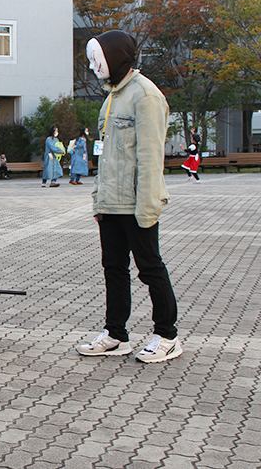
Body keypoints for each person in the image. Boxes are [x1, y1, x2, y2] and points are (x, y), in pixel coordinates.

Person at [76, 29, 182, 364]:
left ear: (117, 57)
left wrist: (147, 207)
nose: (94, 67)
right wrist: (97, 201)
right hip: (110, 204)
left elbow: (151, 157)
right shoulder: (111, 98)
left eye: (98, 59)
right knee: (113, 269)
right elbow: (106, 157)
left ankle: (167, 335)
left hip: (137, 205)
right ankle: (116, 334)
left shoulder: (145, 96)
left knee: (150, 268)